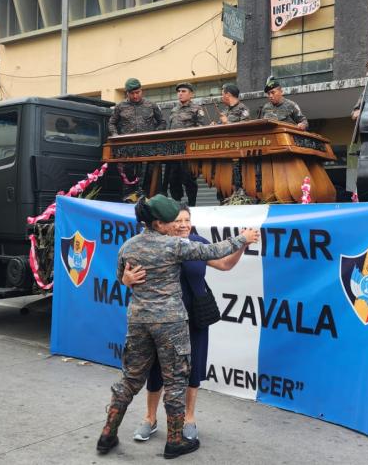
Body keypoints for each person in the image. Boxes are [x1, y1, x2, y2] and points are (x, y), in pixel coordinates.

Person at [96, 194, 259, 459]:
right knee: (175, 381)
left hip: (138, 322)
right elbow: (214, 251)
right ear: (158, 223)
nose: (178, 224)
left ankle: (107, 434)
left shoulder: (127, 246)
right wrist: (244, 238)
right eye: (172, 221)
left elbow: (121, 277)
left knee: (130, 379)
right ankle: (174, 441)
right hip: (171, 323)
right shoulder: (174, 246)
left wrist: (127, 278)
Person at [123, 206, 247, 443]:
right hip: (163, 321)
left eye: (187, 220)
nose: (183, 225)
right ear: (165, 223)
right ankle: (150, 419)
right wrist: (126, 279)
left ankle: (189, 419)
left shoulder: (198, 242)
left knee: (193, 369)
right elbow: (128, 276)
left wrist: (242, 245)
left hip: (195, 317)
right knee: (157, 369)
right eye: (178, 220)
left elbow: (225, 264)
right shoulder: (154, 245)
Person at [108, 78, 167, 200]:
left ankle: (151, 205)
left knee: (151, 179)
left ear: (142, 91)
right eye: (132, 93)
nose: (135, 96)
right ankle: (129, 203)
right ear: (127, 93)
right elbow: (111, 123)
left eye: (138, 92)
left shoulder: (151, 105)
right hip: (128, 151)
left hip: (149, 150)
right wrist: (116, 136)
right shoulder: (120, 107)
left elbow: (162, 122)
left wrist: (154, 135)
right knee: (129, 181)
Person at [165, 82, 206, 205]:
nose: (180, 94)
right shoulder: (174, 109)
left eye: (184, 91)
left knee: (189, 179)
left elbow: (201, 129)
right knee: (173, 179)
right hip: (174, 151)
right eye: (179, 91)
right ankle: (177, 206)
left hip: (189, 150)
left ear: (191, 94)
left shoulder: (197, 109)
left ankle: (192, 205)